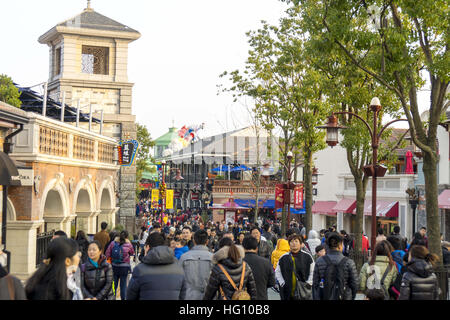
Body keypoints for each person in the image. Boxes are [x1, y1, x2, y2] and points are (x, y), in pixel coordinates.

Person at [127, 232, 186, 300]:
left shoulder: (139, 270)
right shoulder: (179, 268)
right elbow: (183, 296)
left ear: (147, 247)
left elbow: (131, 296)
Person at [312, 232, 358, 300]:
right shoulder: (349, 262)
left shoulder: (319, 261)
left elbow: (315, 284)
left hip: (325, 295)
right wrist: (351, 296)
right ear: (340, 245)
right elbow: (354, 284)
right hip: (344, 296)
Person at [275, 234, 314, 300]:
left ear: (300, 243)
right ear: (289, 244)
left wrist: (309, 283)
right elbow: (277, 271)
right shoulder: (284, 257)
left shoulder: (307, 256)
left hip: (303, 290)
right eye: (292, 241)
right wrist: (282, 283)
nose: (294, 243)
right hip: (287, 290)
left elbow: (313, 271)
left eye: (296, 241)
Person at [179, 230, 214, 300]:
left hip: (188, 295)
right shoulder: (213, 257)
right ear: (207, 241)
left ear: (194, 241)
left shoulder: (184, 257)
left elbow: (179, 279)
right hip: (208, 295)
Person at [105, 230, 135, 300]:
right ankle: (123, 298)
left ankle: (113, 298)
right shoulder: (129, 244)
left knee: (114, 284)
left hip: (114, 266)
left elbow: (107, 254)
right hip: (124, 268)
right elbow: (132, 253)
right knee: (123, 285)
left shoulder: (113, 243)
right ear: (127, 237)